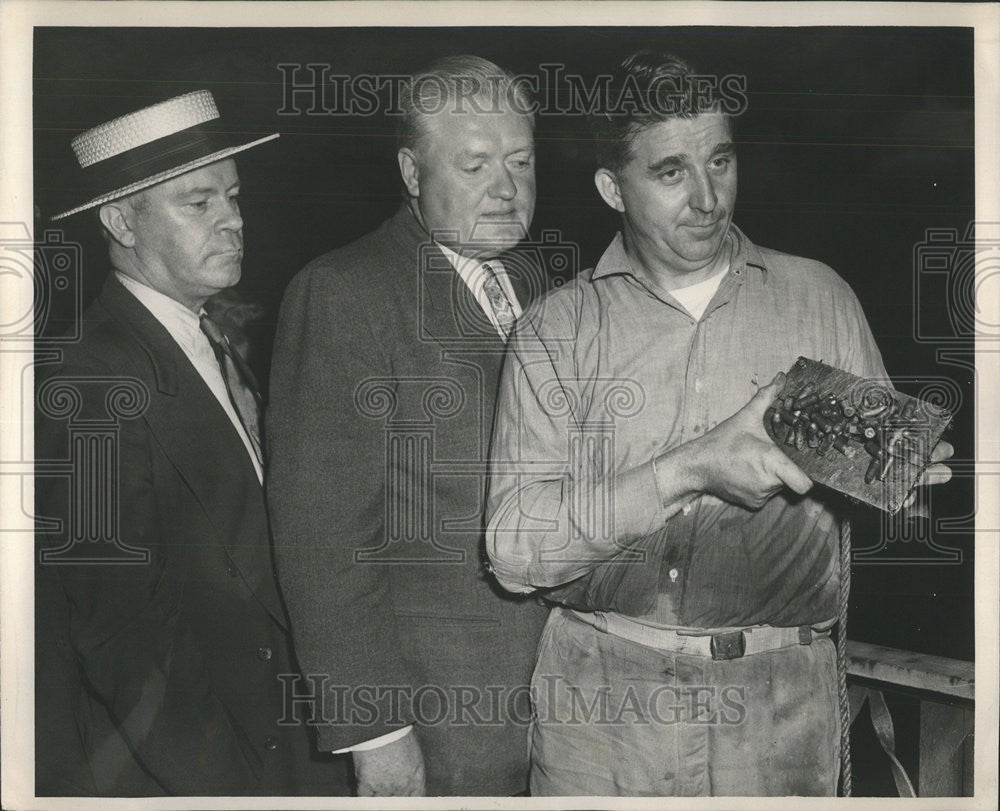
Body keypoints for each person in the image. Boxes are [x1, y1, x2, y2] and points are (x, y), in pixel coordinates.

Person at [485, 51, 953, 797]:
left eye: (721, 162)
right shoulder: (554, 331)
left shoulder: (819, 300)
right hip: (601, 709)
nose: (707, 198)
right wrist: (694, 465)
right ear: (613, 188)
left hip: (776, 710)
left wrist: (889, 473)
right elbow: (514, 551)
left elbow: (906, 495)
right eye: (671, 172)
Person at [34, 90, 349, 796]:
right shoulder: (89, 376)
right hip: (204, 764)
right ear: (120, 220)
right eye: (198, 203)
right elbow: (117, 629)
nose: (234, 221)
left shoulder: (213, 341)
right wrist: (224, 778)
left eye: (233, 197)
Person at [266, 55, 550, 797]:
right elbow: (323, 543)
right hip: (440, 729)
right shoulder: (342, 292)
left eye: (521, 160)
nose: (507, 187)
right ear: (411, 171)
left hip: (565, 712)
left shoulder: (537, 287)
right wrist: (378, 737)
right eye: (476, 163)